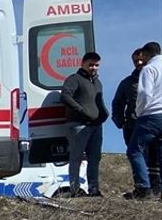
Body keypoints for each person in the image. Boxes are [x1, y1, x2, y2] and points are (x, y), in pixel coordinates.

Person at [113, 49, 162, 194]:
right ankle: (141, 187)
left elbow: (146, 95)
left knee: (155, 157)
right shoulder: (127, 83)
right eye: (135, 61)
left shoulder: (153, 72)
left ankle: (156, 188)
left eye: (141, 59)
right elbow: (118, 103)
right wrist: (120, 121)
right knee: (137, 156)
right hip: (132, 125)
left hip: (150, 120)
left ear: (147, 57)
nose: (139, 63)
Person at [60, 52, 107, 197]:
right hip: (78, 125)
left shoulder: (98, 83)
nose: (94, 68)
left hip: (96, 126)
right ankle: (75, 190)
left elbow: (99, 102)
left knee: (94, 158)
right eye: (91, 64)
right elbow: (65, 96)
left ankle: (94, 189)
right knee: (76, 158)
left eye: (96, 65)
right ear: (83, 64)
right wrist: (81, 110)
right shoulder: (75, 79)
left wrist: (104, 114)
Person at [126, 42, 162, 200]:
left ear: (147, 55)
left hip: (151, 115)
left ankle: (143, 189)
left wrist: (139, 112)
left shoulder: (149, 69)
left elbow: (145, 94)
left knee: (134, 150)